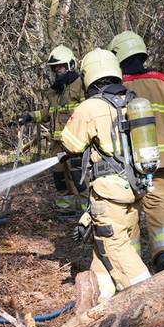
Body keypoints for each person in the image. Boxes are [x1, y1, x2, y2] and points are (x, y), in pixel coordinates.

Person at [60, 49, 151, 303]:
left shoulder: (92, 107)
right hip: (134, 189)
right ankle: (100, 303)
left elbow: (70, 144)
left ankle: (148, 303)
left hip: (109, 192)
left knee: (116, 248)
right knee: (107, 248)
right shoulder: (132, 101)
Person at [107, 30, 164, 271]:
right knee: (159, 206)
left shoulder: (117, 88)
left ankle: (131, 263)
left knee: (129, 210)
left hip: (127, 165)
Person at [43, 45, 84, 213]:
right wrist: (31, 116)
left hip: (75, 143)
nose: (57, 70)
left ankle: (86, 210)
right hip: (57, 144)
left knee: (79, 177)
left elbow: (88, 110)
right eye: (55, 67)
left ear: (69, 65)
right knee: (59, 177)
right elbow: (49, 113)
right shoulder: (54, 91)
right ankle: (65, 209)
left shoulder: (80, 84)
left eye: (60, 66)